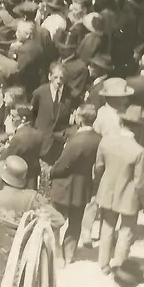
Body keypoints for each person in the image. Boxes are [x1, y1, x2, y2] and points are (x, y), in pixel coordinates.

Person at [92, 103, 144, 273]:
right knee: (126, 231)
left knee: (107, 227)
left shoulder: (106, 142)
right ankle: (119, 266)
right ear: (138, 128)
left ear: (121, 123)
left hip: (107, 192)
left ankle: (104, 265)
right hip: (129, 196)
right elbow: (140, 182)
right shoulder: (138, 151)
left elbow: (98, 168)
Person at [49, 105, 102, 250]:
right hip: (83, 186)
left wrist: (51, 172)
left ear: (80, 118)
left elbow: (63, 164)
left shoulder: (77, 140)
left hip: (64, 186)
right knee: (75, 223)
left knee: (55, 221)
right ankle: (69, 254)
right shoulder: (98, 139)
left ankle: (56, 252)